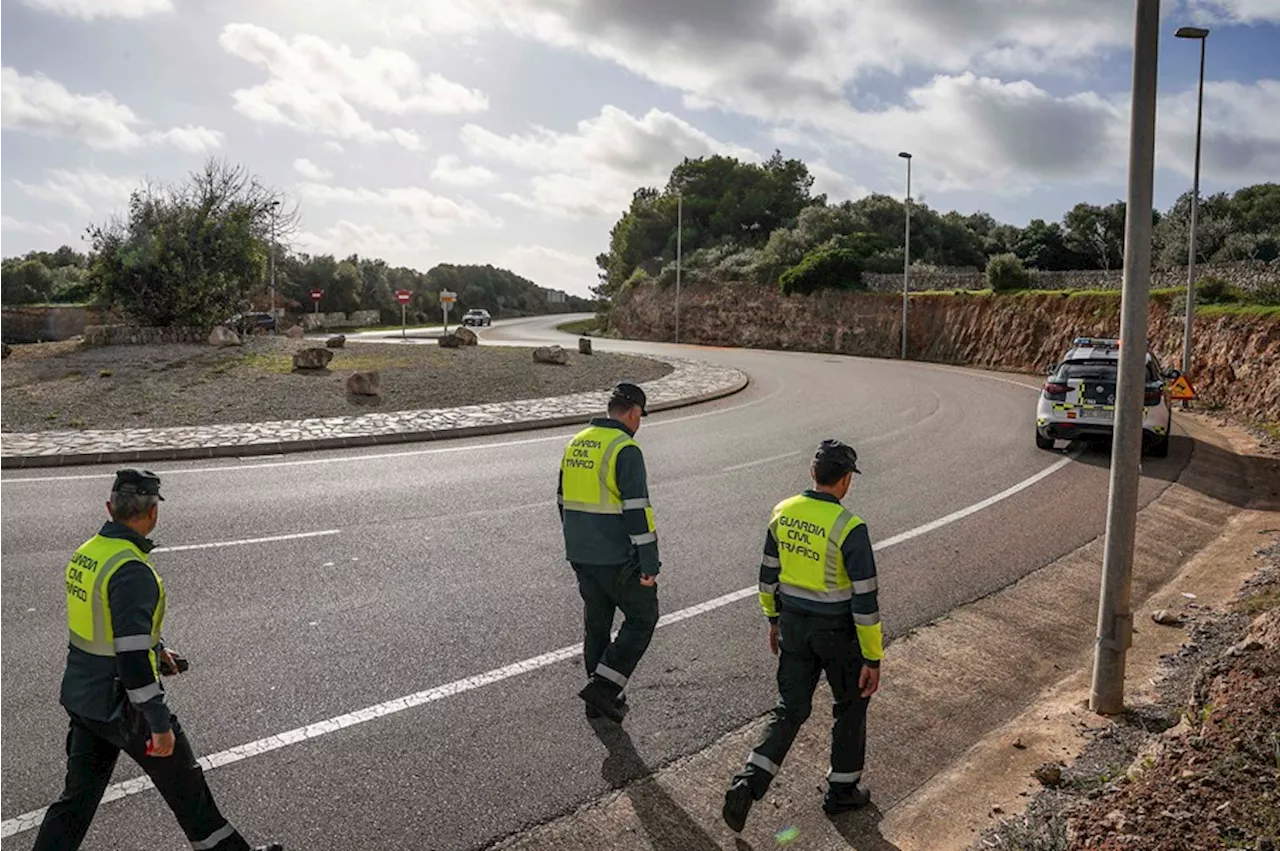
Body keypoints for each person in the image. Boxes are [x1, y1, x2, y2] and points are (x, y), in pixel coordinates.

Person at [33, 469, 282, 851]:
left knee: (74, 807)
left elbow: (105, 622)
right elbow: (131, 657)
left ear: (109, 508)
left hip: (85, 702)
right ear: (153, 513)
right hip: (129, 712)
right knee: (190, 795)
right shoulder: (132, 569)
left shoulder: (87, 554)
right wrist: (158, 722)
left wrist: (157, 646)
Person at [722, 440, 884, 832]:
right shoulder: (850, 527)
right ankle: (842, 790)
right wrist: (872, 659)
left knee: (790, 708)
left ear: (813, 474)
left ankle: (749, 781)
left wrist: (773, 620)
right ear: (845, 480)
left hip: (793, 626)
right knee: (850, 704)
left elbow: (766, 577)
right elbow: (865, 601)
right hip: (837, 633)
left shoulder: (783, 512)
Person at [557, 383, 660, 722]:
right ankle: (602, 689)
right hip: (616, 557)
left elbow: (561, 500)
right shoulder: (625, 449)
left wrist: (576, 541)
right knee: (643, 618)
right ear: (633, 413)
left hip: (580, 553)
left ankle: (597, 703)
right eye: (640, 417)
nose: (639, 423)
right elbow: (637, 511)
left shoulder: (576, 442)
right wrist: (649, 562)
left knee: (598, 625)